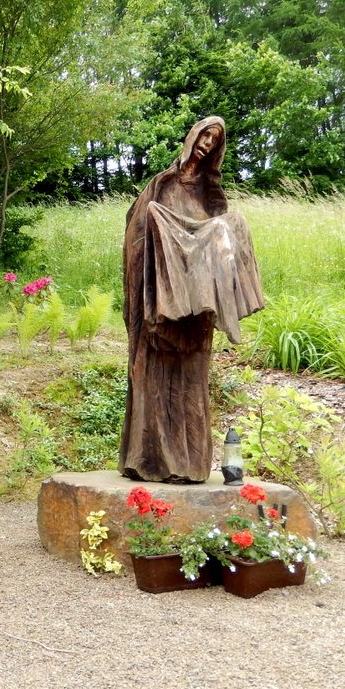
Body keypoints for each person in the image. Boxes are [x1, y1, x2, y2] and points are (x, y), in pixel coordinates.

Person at [119, 116, 264, 483]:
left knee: (190, 383)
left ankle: (188, 463)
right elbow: (136, 238)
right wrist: (165, 240)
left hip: (196, 308)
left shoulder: (209, 196)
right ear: (192, 138)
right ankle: (147, 459)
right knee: (153, 380)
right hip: (158, 302)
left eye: (214, 141)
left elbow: (219, 248)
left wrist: (197, 242)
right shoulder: (161, 186)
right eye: (204, 136)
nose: (207, 145)